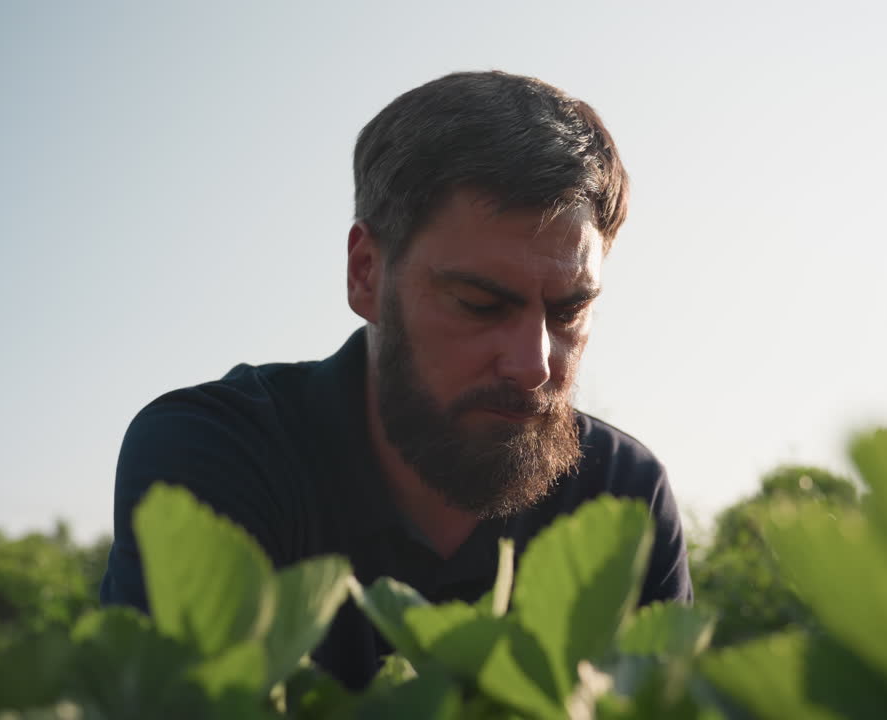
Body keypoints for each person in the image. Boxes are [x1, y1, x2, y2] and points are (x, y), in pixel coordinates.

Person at [100, 70, 692, 689]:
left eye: (569, 310)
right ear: (365, 274)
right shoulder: (218, 455)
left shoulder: (624, 495)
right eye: (480, 304)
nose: (534, 364)